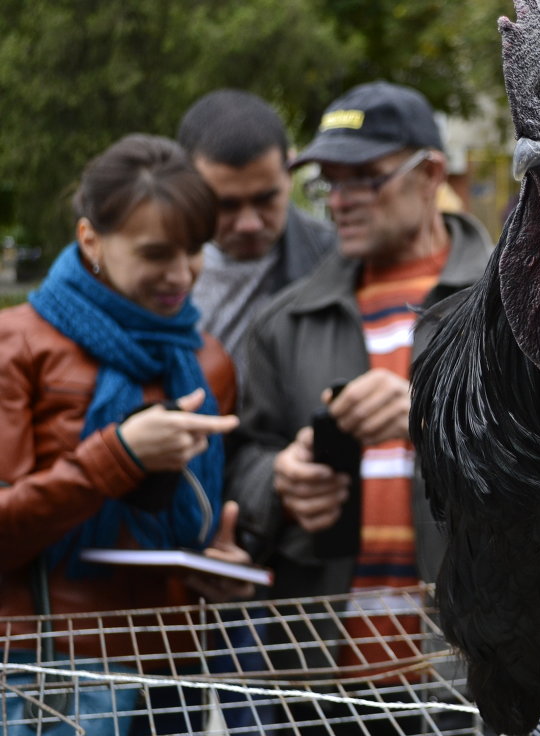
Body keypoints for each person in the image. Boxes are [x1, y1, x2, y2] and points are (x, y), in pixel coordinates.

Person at [223, 82, 493, 722]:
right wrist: (279, 480)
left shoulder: (511, 307)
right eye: (327, 184)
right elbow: (243, 457)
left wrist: (434, 420)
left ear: (429, 173)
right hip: (320, 681)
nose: (339, 203)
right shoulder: (283, 322)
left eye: (364, 180)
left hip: (479, 673)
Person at [0, 134, 245, 732]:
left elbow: (197, 518)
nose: (181, 273)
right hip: (56, 670)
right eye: (156, 253)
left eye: (194, 250)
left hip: (177, 668)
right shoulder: (20, 343)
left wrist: (221, 562)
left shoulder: (206, 358)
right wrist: (117, 457)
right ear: (91, 241)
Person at [176, 89, 335, 377]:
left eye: (265, 199)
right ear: (186, 183)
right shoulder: (145, 264)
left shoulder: (337, 261)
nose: (249, 224)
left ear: (291, 170)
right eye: (226, 205)